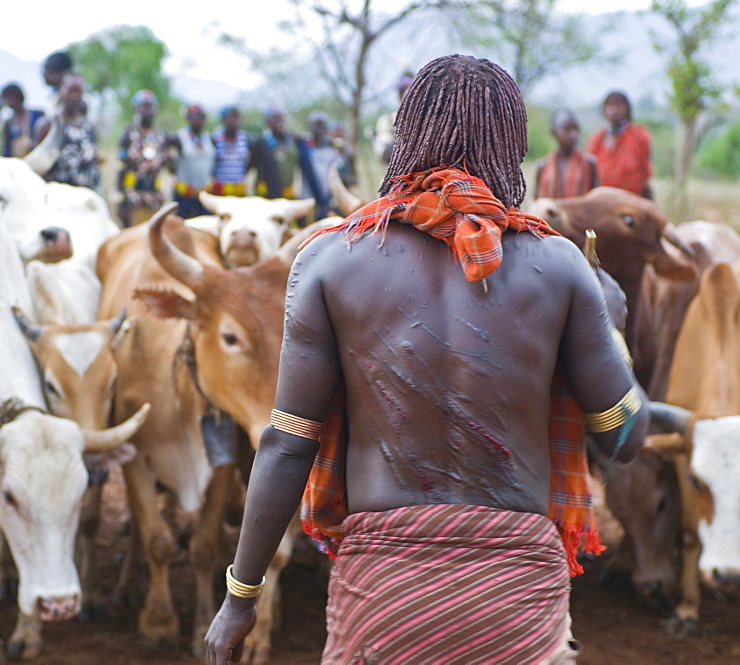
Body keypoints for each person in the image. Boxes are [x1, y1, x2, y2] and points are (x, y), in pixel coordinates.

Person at [204, 54, 648, 665]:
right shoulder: (560, 266)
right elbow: (623, 437)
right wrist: (612, 324)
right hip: (514, 597)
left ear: (406, 136)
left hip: (385, 593)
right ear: (512, 145)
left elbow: (286, 445)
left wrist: (240, 597)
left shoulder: (333, 260)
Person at [35, 73, 101, 190]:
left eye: (78, 91)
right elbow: (40, 167)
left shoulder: (89, 128)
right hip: (58, 199)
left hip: (87, 198)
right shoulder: (48, 125)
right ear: (60, 90)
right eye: (70, 91)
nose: (74, 96)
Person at [586, 90, 652, 199]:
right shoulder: (595, 140)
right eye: (609, 106)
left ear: (627, 109)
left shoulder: (639, 138)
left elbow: (644, 175)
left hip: (630, 199)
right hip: (601, 200)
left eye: (619, 106)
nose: (613, 111)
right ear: (604, 110)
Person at [116, 89, 168, 227]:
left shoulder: (161, 136)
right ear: (136, 108)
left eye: (150, 106)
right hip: (133, 195)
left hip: (154, 196)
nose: (148, 110)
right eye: (144, 106)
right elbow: (122, 162)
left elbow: (166, 161)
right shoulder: (129, 133)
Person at [534, 109, 599, 199]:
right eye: (567, 129)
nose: (573, 135)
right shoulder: (543, 165)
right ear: (554, 132)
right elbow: (536, 201)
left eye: (576, 129)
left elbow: (596, 199)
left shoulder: (589, 163)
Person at [166, 104, 214, 218]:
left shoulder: (209, 138)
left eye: (202, 117)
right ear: (188, 118)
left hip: (204, 195)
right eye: (196, 116)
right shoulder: (178, 138)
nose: (200, 120)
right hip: (184, 196)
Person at [250, 107, 304, 200]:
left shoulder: (291, 141)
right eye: (275, 118)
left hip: (287, 194)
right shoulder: (261, 142)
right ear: (267, 121)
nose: (279, 122)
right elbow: (251, 165)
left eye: (281, 118)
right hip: (265, 195)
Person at [302, 110, 343, 219]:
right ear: (310, 127)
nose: (319, 129)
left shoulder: (331, 151)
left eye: (322, 125)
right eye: (316, 125)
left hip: (328, 202)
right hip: (307, 201)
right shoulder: (304, 149)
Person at [374, 70, 414, 164]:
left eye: (410, 90)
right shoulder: (387, 120)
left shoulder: (430, 117)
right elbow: (383, 153)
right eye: (403, 91)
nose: (406, 94)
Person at [209, 106, 250, 196]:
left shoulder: (245, 138)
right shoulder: (215, 138)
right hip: (220, 192)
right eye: (232, 117)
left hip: (239, 191)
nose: (236, 120)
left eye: (237, 117)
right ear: (224, 120)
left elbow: (248, 163)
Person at [1, 82, 44, 158]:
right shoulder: (8, 123)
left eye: (10, 98)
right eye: (6, 99)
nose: (8, 102)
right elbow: (6, 149)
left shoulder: (38, 115)